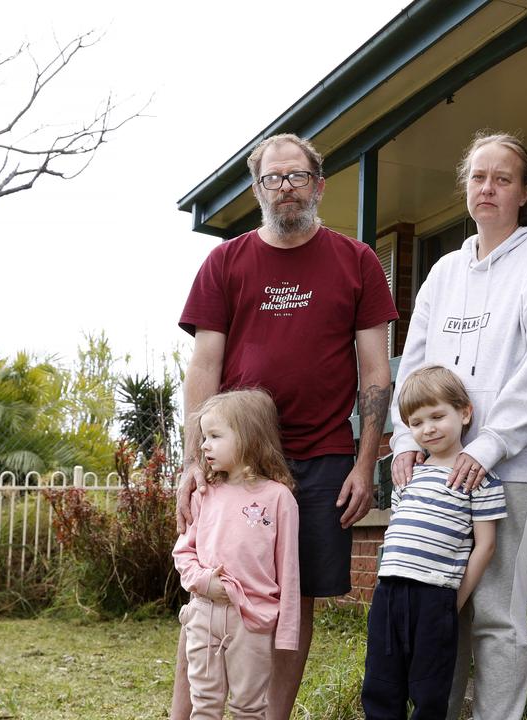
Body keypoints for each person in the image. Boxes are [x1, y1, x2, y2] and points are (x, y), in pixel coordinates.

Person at [173, 133, 398, 720]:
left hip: (323, 457)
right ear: (258, 189)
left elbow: (376, 372)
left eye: (297, 177)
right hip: (236, 459)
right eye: (274, 178)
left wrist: (366, 461)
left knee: (294, 600)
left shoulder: (357, 261)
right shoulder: (226, 261)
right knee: (208, 591)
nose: (286, 188)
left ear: (319, 186)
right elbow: (204, 366)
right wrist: (194, 460)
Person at [389, 132, 527, 720]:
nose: (487, 188)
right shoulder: (444, 272)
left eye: (502, 178)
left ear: (524, 193)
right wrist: (401, 440)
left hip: (510, 467)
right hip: (438, 472)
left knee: (495, 613)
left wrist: (490, 445)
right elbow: (413, 365)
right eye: (477, 177)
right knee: (440, 606)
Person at [362, 365, 506, 720]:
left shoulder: (479, 479)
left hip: (436, 595)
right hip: (389, 592)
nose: (428, 428)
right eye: (417, 422)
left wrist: (453, 600)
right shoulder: (407, 476)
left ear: (464, 412)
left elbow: (485, 546)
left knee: (429, 689)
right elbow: (398, 531)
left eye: (438, 416)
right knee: (381, 684)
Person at [173, 389, 300, 719]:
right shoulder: (204, 494)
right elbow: (183, 553)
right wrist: (204, 582)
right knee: (205, 705)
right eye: (204, 437)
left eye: (215, 436)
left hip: (253, 622)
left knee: (248, 707)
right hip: (203, 613)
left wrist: (286, 634)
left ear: (248, 437)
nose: (204, 445)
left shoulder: (279, 498)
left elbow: (288, 572)